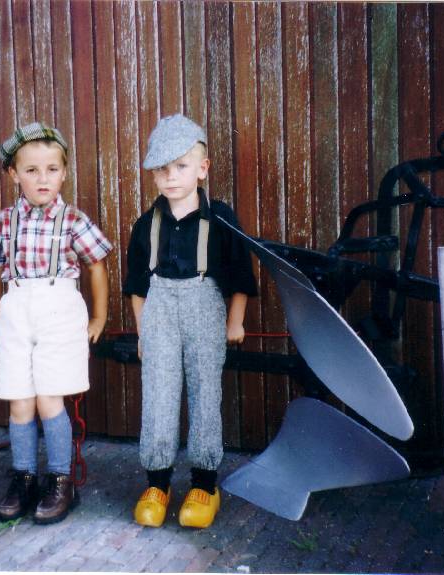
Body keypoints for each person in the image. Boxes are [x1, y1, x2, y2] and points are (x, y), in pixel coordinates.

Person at [123, 113, 257, 529]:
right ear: (153, 175)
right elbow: (137, 286)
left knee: (205, 392)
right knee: (159, 393)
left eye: (181, 166)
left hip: (205, 306)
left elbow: (241, 275)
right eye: (162, 169)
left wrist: (235, 322)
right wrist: (144, 332)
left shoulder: (220, 219)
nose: (171, 176)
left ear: (202, 168)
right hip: (159, 310)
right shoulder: (146, 224)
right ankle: (157, 484)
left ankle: (204, 485)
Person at [0, 122, 112, 524]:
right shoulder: (5, 221)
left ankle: (60, 479)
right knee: (20, 400)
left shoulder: (73, 220)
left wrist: (99, 316)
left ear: (64, 173)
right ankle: (23, 477)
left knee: (50, 398)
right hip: (16, 309)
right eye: (32, 170)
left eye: (52, 169)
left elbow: (97, 266)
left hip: (59, 309)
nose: (42, 179)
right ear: (13, 174)